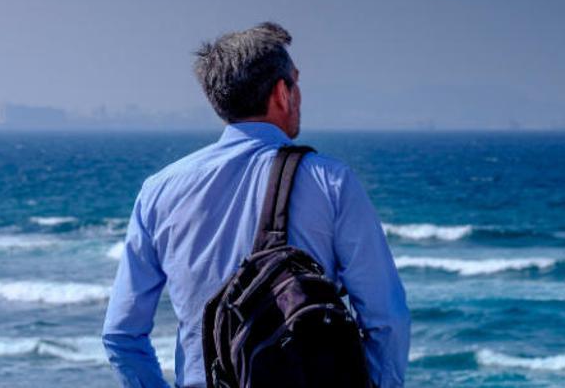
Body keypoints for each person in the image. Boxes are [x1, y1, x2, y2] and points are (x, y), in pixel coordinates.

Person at [102, 22, 410, 388]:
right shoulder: (331, 181)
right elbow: (386, 319)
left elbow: (122, 335)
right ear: (282, 92)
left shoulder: (159, 191)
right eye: (296, 83)